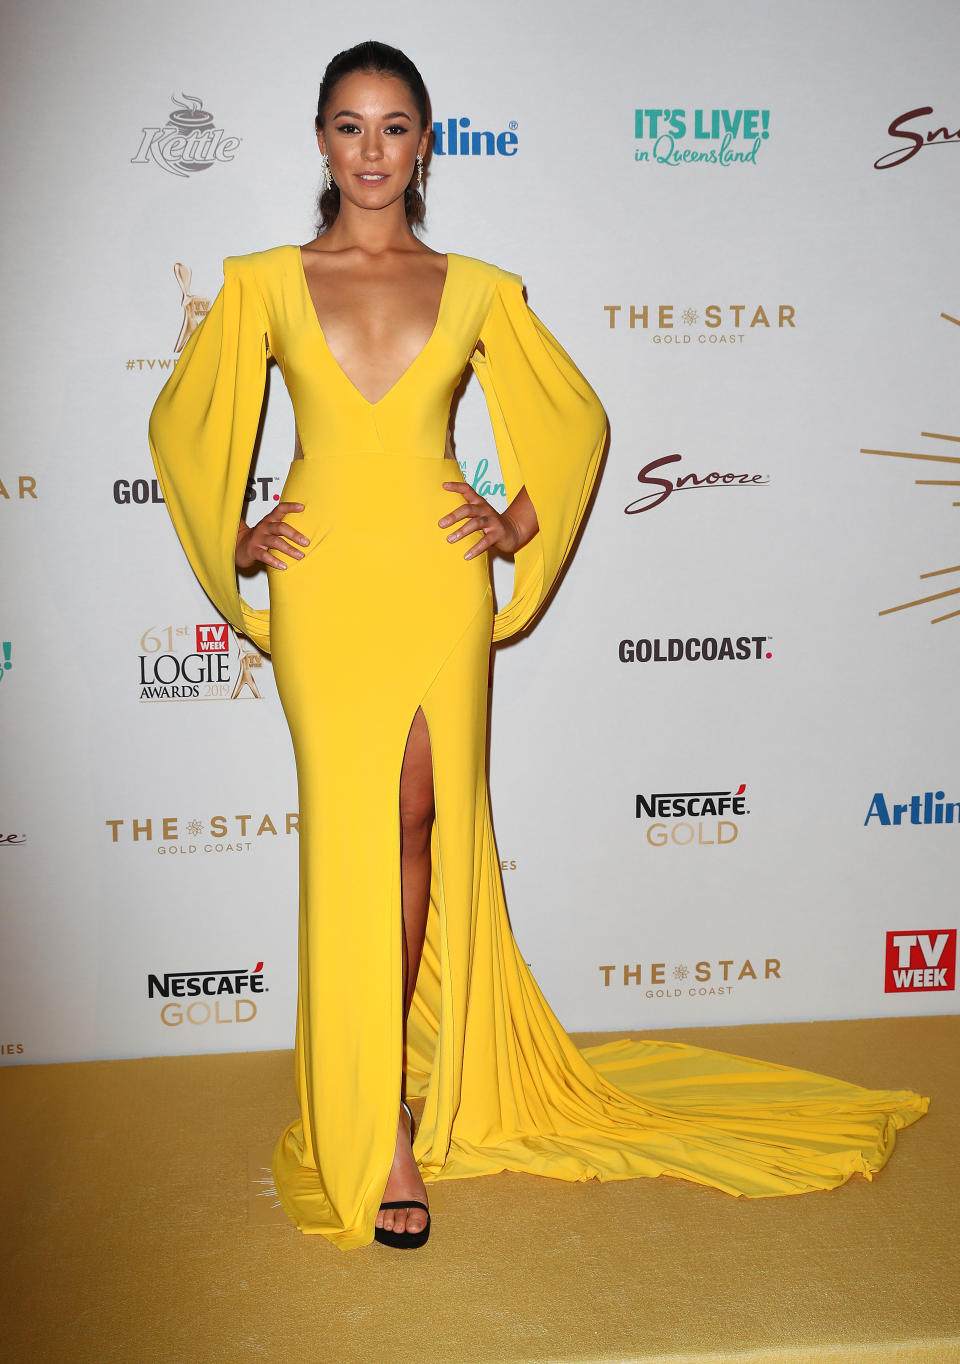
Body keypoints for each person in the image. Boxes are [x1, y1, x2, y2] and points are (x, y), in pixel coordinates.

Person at [149, 41, 927, 1253]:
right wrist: (235, 534)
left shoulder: (474, 286)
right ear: (318, 140)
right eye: (348, 126)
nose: (370, 150)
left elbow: (576, 416)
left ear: (424, 144)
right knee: (348, 834)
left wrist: (512, 519)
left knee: (416, 820)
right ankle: (364, 1107)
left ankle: (396, 1104)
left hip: (436, 582)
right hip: (325, 588)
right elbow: (184, 420)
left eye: (395, 127)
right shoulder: (263, 281)